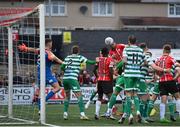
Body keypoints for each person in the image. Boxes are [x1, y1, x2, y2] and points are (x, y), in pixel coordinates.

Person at [18, 38, 63, 113]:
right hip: (46, 73)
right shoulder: (49, 52)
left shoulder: (40, 50)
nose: (52, 44)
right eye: (51, 43)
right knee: (57, 87)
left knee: (41, 92)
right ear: (49, 44)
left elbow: (33, 49)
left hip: (39, 73)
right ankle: (43, 101)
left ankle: (40, 110)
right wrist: (66, 64)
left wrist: (26, 48)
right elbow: (57, 60)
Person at [61, 45, 96, 120]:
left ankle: (65, 113)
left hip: (65, 79)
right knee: (79, 96)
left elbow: (62, 67)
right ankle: (82, 114)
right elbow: (90, 62)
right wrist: (97, 61)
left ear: (71, 51)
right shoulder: (80, 57)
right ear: (78, 51)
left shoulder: (67, 57)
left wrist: (66, 70)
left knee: (67, 96)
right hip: (72, 79)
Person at [155, 44, 180, 123]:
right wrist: (175, 77)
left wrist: (158, 76)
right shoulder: (171, 58)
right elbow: (178, 68)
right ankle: (178, 113)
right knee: (177, 97)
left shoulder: (158, 59)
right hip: (170, 80)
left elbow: (155, 69)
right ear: (170, 51)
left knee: (163, 99)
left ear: (163, 50)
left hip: (161, 81)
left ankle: (162, 118)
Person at [93, 47, 114, 120]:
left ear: (101, 53)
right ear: (108, 53)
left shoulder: (98, 59)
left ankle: (96, 113)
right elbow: (111, 70)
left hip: (100, 80)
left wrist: (98, 77)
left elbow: (94, 70)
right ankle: (109, 113)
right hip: (107, 80)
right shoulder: (110, 59)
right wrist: (111, 79)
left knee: (99, 97)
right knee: (111, 98)